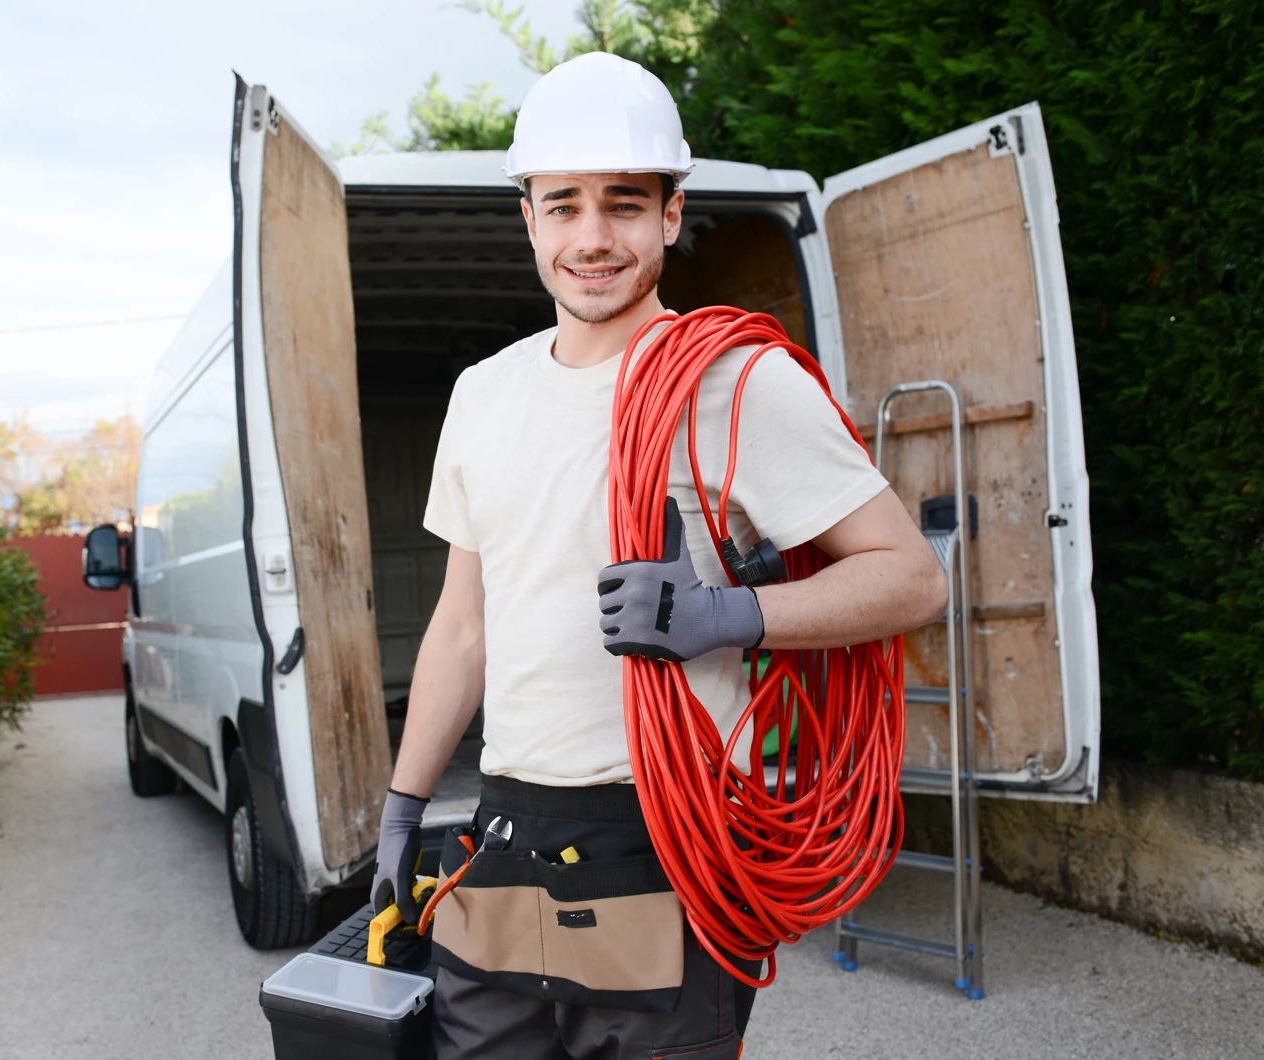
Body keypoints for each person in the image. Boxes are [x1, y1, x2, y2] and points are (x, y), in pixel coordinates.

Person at [370, 52, 948, 1060]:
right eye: (565, 205)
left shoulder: (737, 383)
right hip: (501, 835)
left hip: (666, 843)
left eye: (624, 204)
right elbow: (464, 624)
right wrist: (403, 801)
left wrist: (730, 616)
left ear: (671, 216)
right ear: (530, 218)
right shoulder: (482, 395)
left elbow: (910, 577)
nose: (593, 237)